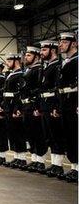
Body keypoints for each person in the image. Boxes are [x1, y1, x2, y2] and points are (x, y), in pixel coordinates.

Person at [39, 40, 65, 177]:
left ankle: (59, 165)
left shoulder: (57, 66)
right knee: (49, 135)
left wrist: (56, 106)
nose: (41, 53)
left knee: (57, 136)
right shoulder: (46, 66)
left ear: (52, 51)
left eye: (44, 50)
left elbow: (58, 88)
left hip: (52, 104)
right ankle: (54, 164)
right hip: (45, 104)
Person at [20, 46, 46, 173]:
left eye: (29, 55)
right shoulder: (28, 70)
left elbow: (39, 89)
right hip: (26, 106)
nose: (26, 57)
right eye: (26, 55)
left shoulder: (38, 69)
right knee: (30, 134)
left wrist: (37, 106)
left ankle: (40, 162)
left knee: (38, 134)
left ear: (36, 56)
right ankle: (35, 160)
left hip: (34, 105)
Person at [56, 32, 77, 182]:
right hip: (65, 103)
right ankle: (75, 167)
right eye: (60, 42)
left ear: (74, 43)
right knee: (69, 136)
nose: (61, 44)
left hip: (74, 102)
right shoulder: (64, 62)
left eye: (64, 42)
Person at [1, 53, 27, 168]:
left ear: (16, 61)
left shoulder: (20, 74)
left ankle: (22, 158)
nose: (7, 63)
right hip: (8, 107)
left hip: (14, 107)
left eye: (9, 60)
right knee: (12, 133)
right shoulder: (11, 74)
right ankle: (16, 157)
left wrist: (17, 108)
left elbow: (19, 93)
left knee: (18, 133)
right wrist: (2, 104)